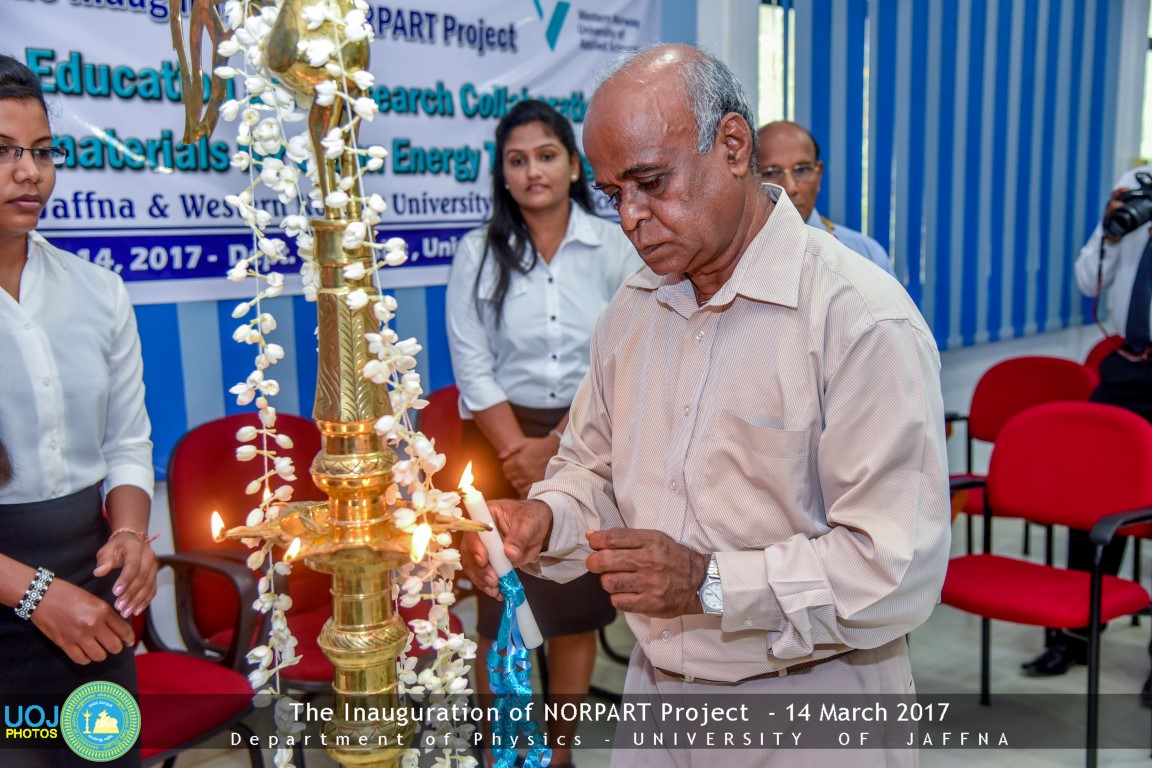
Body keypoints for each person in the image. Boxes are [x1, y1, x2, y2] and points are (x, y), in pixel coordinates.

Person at [461, 44, 951, 768]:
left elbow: (894, 570)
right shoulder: (633, 310)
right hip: (660, 692)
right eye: (612, 194)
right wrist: (546, 520)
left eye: (651, 182)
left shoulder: (856, 318)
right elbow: (594, 473)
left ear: (732, 145)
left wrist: (707, 582)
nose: (631, 217)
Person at [445, 98, 638, 767]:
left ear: (574, 165)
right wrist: (516, 452)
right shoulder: (477, 251)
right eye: (517, 160)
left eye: (547, 156)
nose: (533, 171)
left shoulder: (614, 245)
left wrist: (554, 447)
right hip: (496, 441)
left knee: (574, 608)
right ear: (502, 174)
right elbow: (471, 362)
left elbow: (620, 355)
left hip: (586, 437)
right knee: (499, 606)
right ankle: (503, 750)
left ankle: (558, 753)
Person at [0, 54, 156, 766]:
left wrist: (129, 534)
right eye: (3, 152)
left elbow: (126, 443)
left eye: (41, 152)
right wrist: (35, 595)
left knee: (102, 753)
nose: (28, 172)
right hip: (19, 595)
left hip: (93, 600)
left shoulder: (98, 291)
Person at [1028, 166, 1152, 690]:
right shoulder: (1137, 184)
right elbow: (1087, 281)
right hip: (1128, 364)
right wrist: (1111, 232)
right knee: (1092, 497)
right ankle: (1075, 635)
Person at [756, 120, 894, 275]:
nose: (791, 187)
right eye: (772, 172)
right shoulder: (742, 258)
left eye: (802, 170)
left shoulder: (867, 255)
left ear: (818, 175)